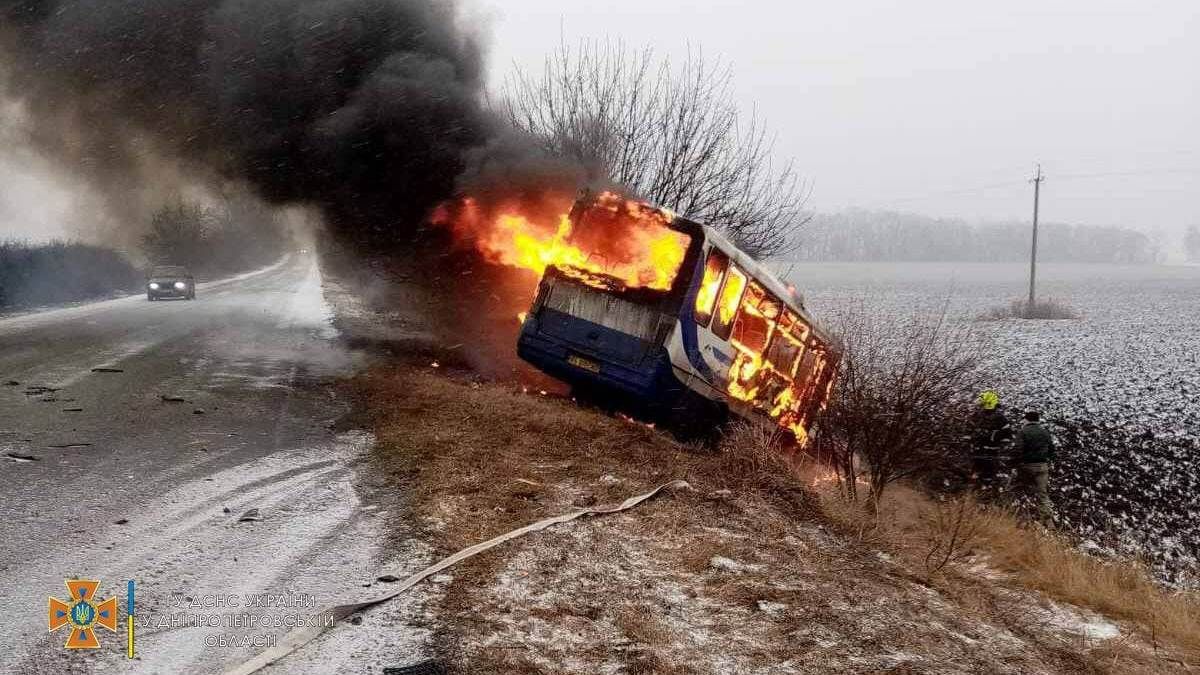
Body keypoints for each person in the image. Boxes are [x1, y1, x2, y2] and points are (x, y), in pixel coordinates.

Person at [1013, 410, 1056, 523]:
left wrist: (1016, 463)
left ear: (1026, 419)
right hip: (1042, 466)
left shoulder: (1023, 432)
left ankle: (1025, 518)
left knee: (1024, 491)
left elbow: (1018, 450)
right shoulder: (1045, 432)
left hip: (1027, 466)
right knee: (1042, 494)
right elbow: (1052, 449)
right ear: (1038, 420)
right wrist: (1049, 460)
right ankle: (1047, 520)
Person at [971, 391, 1012, 490]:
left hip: (989, 451)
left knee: (987, 472)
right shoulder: (977, 416)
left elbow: (1008, 435)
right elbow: (969, 429)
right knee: (979, 472)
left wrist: (994, 437)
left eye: (982, 404)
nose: (980, 407)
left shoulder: (999, 418)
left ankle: (986, 490)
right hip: (979, 450)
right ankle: (980, 490)